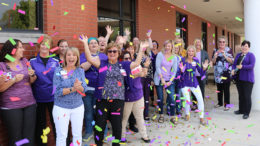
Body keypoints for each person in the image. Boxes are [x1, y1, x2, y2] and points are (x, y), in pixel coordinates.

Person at [79, 34, 147, 146]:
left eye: (114, 51)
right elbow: (89, 58)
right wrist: (85, 44)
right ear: (107, 53)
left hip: (117, 101)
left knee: (117, 127)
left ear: (118, 53)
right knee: (99, 126)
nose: (112, 53)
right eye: (110, 51)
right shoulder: (102, 63)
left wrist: (141, 50)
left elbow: (136, 63)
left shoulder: (123, 65)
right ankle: (98, 144)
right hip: (102, 100)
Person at [0, 39, 37, 146]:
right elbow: (0, 88)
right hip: (11, 107)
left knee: (28, 137)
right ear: (13, 50)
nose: (23, 49)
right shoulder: (2, 66)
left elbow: (32, 80)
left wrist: (32, 75)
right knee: (16, 138)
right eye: (20, 47)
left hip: (29, 104)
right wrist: (13, 80)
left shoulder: (25, 61)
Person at [53, 47, 87, 146]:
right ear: (64, 57)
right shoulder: (58, 71)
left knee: (77, 135)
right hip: (61, 108)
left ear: (77, 57)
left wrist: (79, 87)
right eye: (69, 55)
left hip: (78, 107)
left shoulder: (80, 71)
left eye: (74, 55)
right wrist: (73, 88)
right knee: (61, 136)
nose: (71, 57)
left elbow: (84, 89)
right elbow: (57, 92)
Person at [30, 35, 60, 146]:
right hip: (38, 98)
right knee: (41, 125)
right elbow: (30, 79)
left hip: (54, 97)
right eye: (42, 44)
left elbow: (60, 78)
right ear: (39, 45)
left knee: (57, 123)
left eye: (47, 44)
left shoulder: (56, 61)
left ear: (50, 46)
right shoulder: (32, 61)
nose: (44, 46)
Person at [80, 37, 107, 142]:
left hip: (100, 89)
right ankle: (89, 132)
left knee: (100, 112)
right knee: (88, 111)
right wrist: (91, 59)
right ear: (88, 46)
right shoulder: (83, 55)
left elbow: (105, 69)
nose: (93, 44)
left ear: (98, 45)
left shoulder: (104, 56)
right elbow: (82, 67)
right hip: (87, 90)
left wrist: (94, 60)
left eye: (95, 43)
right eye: (91, 43)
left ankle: (102, 132)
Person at [121, 51, 151, 143]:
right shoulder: (121, 68)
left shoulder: (136, 65)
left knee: (140, 117)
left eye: (129, 58)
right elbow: (131, 76)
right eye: (126, 59)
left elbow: (144, 74)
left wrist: (146, 66)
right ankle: (122, 136)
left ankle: (144, 136)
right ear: (123, 60)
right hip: (127, 97)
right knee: (124, 118)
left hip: (139, 95)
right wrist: (140, 72)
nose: (128, 60)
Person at [179, 45, 209, 125]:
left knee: (200, 99)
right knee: (187, 100)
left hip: (194, 83)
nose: (191, 52)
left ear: (194, 52)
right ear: (187, 52)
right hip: (184, 83)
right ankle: (187, 115)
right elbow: (179, 74)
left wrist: (204, 68)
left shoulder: (196, 60)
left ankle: (201, 118)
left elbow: (201, 72)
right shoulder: (183, 60)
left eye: (192, 51)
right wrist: (182, 71)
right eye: (189, 51)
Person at [154, 40, 178, 124]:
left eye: (169, 46)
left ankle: (172, 116)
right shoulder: (161, 55)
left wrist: (170, 81)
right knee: (160, 98)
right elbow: (157, 67)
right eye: (166, 46)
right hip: (159, 79)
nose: (167, 47)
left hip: (169, 80)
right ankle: (161, 115)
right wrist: (162, 79)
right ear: (164, 46)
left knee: (171, 97)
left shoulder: (173, 57)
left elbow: (174, 71)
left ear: (172, 47)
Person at [232, 40, 255, 119]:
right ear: (241, 47)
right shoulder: (238, 55)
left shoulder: (251, 55)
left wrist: (243, 67)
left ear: (248, 48)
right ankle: (241, 110)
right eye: (243, 45)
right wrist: (232, 70)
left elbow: (251, 66)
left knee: (247, 96)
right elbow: (234, 64)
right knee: (241, 95)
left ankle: (246, 112)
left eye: (246, 46)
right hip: (239, 78)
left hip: (248, 79)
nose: (244, 47)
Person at [212, 36, 234, 111]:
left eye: (223, 42)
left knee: (226, 89)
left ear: (226, 43)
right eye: (220, 42)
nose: (222, 43)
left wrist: (225, 55)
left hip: (226, 73)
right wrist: (214, 57)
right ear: (218, 43)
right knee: (219, 89)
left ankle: (227, 104)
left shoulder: (229, 50)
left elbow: (232, 61)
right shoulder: (215, 50)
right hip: (218, 73)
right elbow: (213, 63)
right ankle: (220, 102)